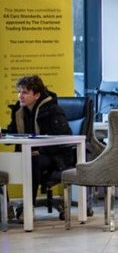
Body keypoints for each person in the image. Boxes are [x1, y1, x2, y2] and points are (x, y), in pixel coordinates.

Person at [5, 74, 75, 217]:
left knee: (32, 161)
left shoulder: (52, 110)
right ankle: (5, 208)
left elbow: (64, 137)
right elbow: (13, 132)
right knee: (3, 162)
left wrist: (40, 150)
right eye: (19, 92)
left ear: (36, 95)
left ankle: (28, 208)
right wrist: (4, 134)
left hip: (54, 156)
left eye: (25, 92)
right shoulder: (19, 110)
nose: (20, 96)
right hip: (28, 153)